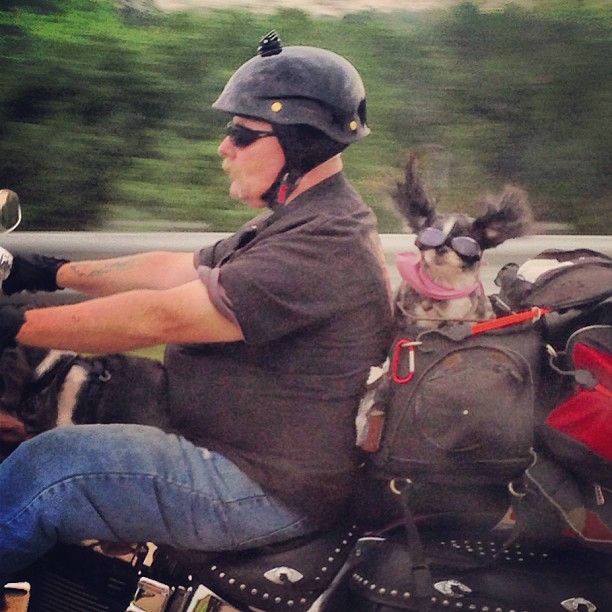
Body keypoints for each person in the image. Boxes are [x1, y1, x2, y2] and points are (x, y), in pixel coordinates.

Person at [0, 32, 392, 603]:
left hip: (261, 486)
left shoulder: (326, 243)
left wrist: (11, 325)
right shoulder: (300, 216)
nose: (223, 148)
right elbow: (170, 269)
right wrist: (43, 273)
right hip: (234, 445)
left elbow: (159, 318)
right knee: (58, 387)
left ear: (300, 143)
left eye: (241, 133)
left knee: (53, 466)